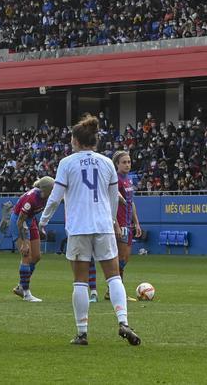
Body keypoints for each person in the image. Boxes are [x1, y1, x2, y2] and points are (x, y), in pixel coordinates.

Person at [38, 114, 141, 347]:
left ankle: (82, 333)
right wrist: (114, 220)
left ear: (75, 140)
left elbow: (55, 198)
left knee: (80, 282)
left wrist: (43, 221)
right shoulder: (106, 163)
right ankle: (123, 321)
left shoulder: (67, 163)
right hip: (103, 225)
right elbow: (114, 197)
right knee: (114, 276)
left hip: (78, 227)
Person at [11, 176, 55, 302]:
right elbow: (20, 221)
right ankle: (26, 293)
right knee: (26, 254)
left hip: (30, 221)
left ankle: (20, 286)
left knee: (36, 256)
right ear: (46, 190)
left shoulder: (45, 196)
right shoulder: (31, 200)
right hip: (19, 223)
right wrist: (25, 243)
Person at [114, 151, 143, 291]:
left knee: (125, 259)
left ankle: (115, 288)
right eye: (124, 162)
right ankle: (115, 289)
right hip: (120, 222)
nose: (127, 164)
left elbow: (131, 202)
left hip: (129, 223)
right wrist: (116, 225)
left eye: (129, 162)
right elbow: (111, 204)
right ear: (117, 164)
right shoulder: (115, 180)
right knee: (120, 258)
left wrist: (136, 222)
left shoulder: (129, 179)